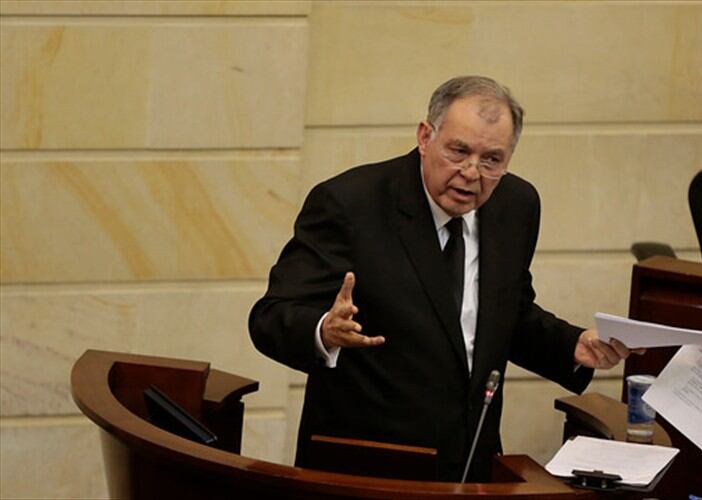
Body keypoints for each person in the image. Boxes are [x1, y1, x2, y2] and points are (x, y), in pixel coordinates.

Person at [249, 75, 640, 482]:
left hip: (470, 463)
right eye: (459, 151)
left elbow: (506, 312)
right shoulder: (350, 203)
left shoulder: (516, 205)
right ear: (425, 137)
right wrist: (324, 330)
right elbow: (270, 316)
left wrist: (572, 345)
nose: (472, 172)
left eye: (492, 159)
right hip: (369, 467)